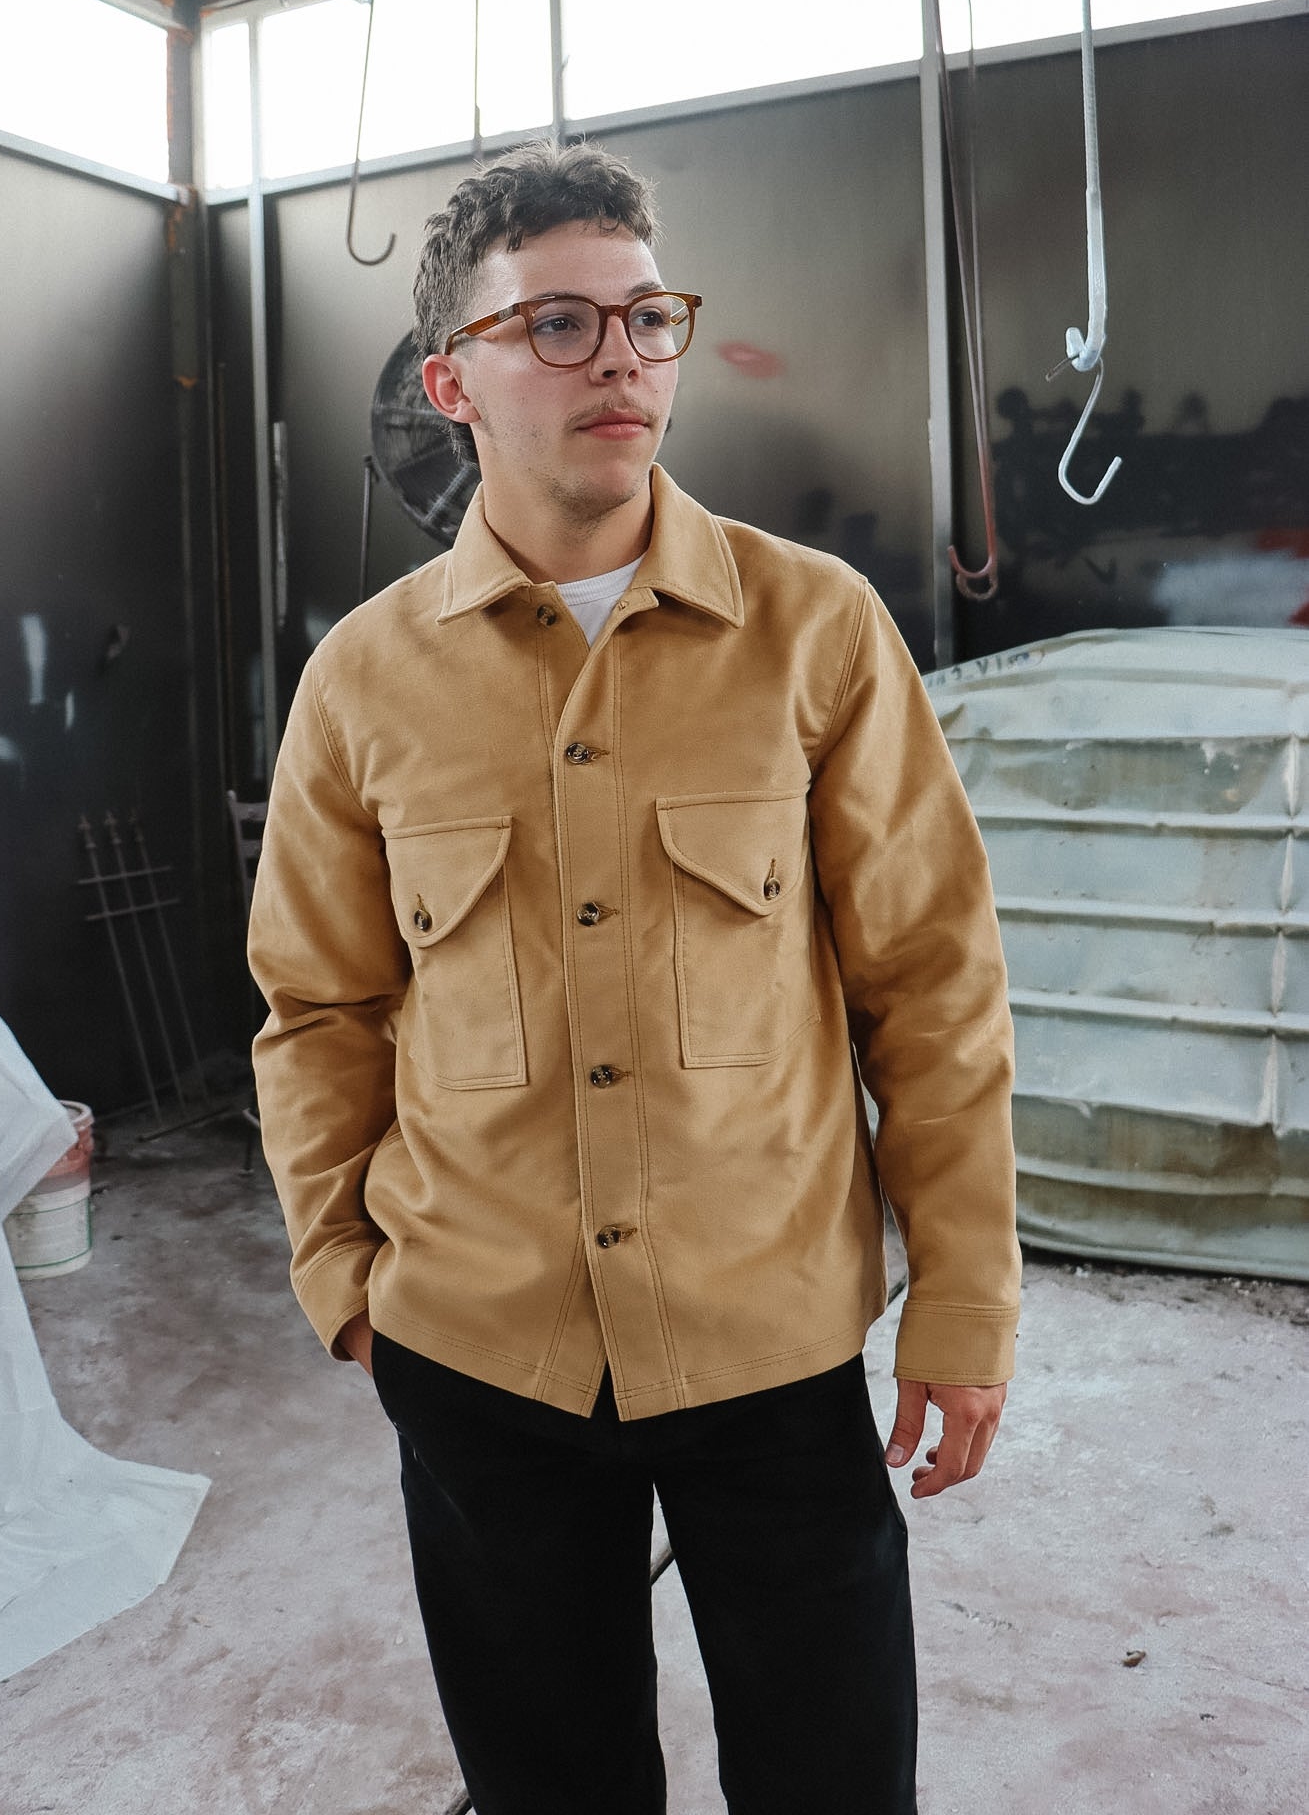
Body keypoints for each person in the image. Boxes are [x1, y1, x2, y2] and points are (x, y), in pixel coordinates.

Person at [248, 140, 1020, 1815]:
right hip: (478, 1352)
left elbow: (934, 989)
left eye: (646, 319)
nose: (619, 360)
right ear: (452, 380)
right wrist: (345, 1280)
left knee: (829, 1779)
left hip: (771, 1337)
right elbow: (316, 1009)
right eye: (558, 328)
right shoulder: (364, 684)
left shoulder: (812, 631)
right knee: (551, 1782)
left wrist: (960, 1304)